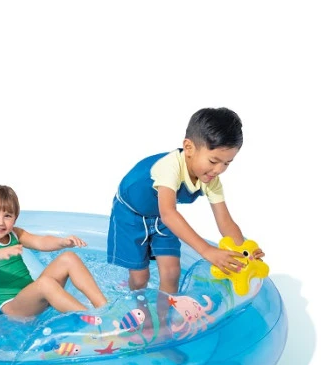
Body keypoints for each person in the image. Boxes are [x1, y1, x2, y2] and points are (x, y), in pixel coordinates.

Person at [107, 107, 264, 295]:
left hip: (160, 217)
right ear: (189, 148)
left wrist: (245, 252)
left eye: (227, 163)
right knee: (140, 277)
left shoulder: (211, 180)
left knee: (172, 273)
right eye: (213, 161)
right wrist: (206, 250)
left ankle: (165, 312)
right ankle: (136, 302)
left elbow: (225, 221)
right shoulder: (169, 167)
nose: (219, 170)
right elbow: (169, 214)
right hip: (131, 214)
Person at [0, 185, 108, 317]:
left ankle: (104, 308)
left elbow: (40, 242)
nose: (0, 222)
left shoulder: (14, 233)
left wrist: (62, 242)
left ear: (15, 218)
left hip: (34, 296)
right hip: (14, 307)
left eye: (7, 216)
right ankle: (92, 320)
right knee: (45, 283)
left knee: (69, 258)